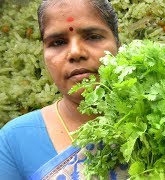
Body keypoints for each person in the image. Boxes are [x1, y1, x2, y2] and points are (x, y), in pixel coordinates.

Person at [0, 0, 126, 179]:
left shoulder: (158, 122)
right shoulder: (15, 140)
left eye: (93, 36)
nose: (75, 52)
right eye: (58, 42)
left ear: (118, 45)